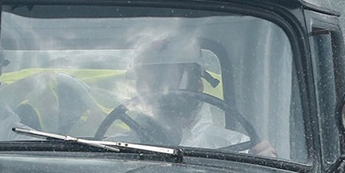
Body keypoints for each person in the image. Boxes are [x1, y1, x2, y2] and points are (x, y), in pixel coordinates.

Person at [105, 34, 263, 154]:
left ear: (198, 86)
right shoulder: (113, 149)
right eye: (150, 83)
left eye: (169, 80)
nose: (161, 93)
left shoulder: (238, 148)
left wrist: (264, 163)